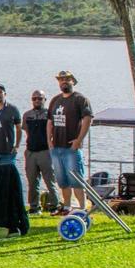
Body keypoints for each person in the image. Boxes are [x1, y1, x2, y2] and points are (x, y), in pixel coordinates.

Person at [47, 69, 93, 214]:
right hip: (57, 147)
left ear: (73, 81)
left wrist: (79, 140)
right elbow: (50, 121)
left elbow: (88, 118)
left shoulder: (80, 99)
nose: (64, 81)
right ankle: (66, 206)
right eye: (61, 79)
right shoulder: (55, 100)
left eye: (67, 79)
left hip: (72, 147)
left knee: (76, 180)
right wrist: (49, 140)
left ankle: (82, 208)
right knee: (62, 180)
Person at [22, 89, 60, 214]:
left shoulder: (50, 114)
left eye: (40, 98)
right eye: (34, 98)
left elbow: (55, 131)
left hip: (46, 152)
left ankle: (54, 205)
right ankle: (34, 207)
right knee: (32, 181)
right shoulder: (27, 115)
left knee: (50, 180)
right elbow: (26, 130)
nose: (37, 100)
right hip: (31, 152)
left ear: (45, 100)